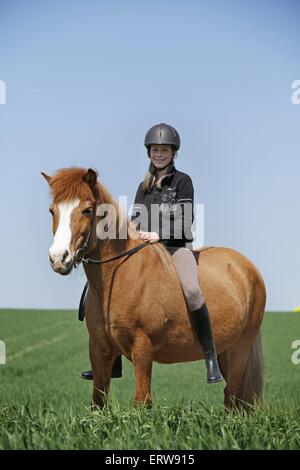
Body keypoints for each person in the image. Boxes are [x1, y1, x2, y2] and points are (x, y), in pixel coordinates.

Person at [81, 123, 223, 383]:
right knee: (101, 286)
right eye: (156, 150)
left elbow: (186, 220)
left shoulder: (182, 181)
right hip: (145, 249)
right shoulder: (143, 187)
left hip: (174, 248)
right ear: (149, 153)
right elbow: (135, 219)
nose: (160, 154)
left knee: (192, 291)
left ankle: (211, 356)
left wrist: (159, 234)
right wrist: (130, 229)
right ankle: (112, 362)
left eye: (165, 150)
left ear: (173, 153)